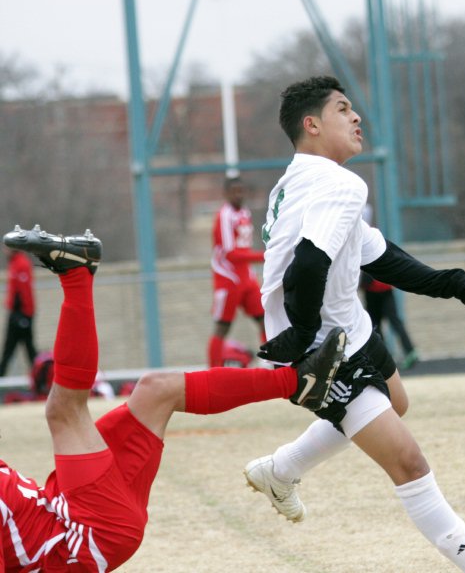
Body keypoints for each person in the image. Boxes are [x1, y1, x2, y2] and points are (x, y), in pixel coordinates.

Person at [245, 76, 465, 572]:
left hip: (349, 326)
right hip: (322, 341)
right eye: (343, 109)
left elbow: (381, 256)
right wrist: (303, 341)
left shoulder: (301, 182)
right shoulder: (339, 182)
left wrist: (460, 285)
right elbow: (305, 266)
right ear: (312, 124)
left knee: (397, 402)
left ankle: (282, 470)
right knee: (409, 464)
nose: (356, 117)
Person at [0, 224, 344, 571]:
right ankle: (76, 275)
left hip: (72, 509)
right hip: (84, 533)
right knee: (64, 413)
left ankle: (299, 382)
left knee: (156, 391)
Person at [208, 175, 266, 367]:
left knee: (265, 318)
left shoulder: (245, 213)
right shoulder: (224, 215)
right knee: (223, 326)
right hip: (228, 278)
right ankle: (213, 371)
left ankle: (271, 362)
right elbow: (230, 253)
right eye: (234, 191)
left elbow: (244, 247)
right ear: (226, 194)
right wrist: (262, 256)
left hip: (246, 277)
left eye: (241, 191)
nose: (238, 195)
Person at [360, 203, 418, 369]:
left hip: (380, 289)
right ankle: (387, 356)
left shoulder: (368, 237)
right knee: (379, 325)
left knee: (386, 323)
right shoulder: (368, 236)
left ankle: (405, 352)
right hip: (378, 289)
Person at [0, 244, 37, 377]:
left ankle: (40, 378)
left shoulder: (21, 264)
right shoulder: (14, 263)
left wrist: (24, 315)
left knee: (26, 349)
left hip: (21, 314)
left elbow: (24, 292)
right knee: (12, 349)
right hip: (17, 312)